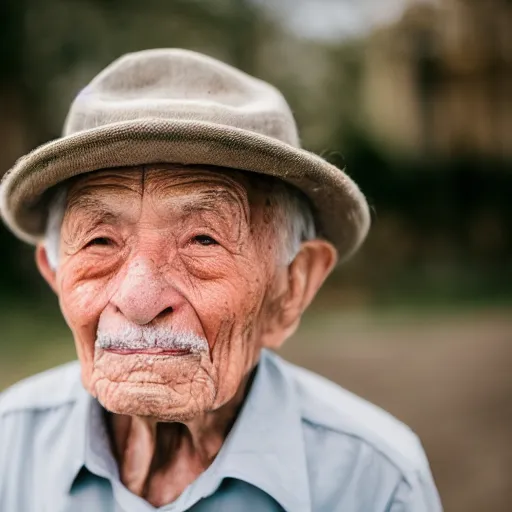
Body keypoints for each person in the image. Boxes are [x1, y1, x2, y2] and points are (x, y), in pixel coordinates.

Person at [0, 49, 442, 511]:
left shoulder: (375, 482)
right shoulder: (10, 445)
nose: (138, 299)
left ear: (293, 286)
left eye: (203, 240)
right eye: (100, 242)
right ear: (55, 273)